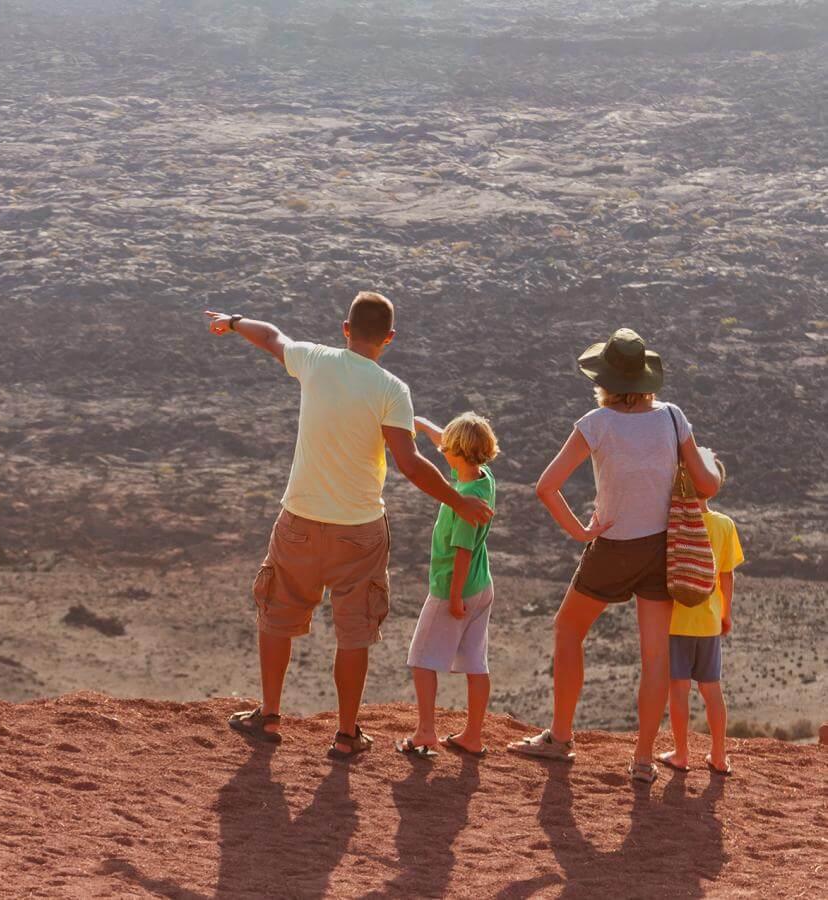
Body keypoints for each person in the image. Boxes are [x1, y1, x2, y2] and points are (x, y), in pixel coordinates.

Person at [205, 293, 494, 760]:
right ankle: (345, 733)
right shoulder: (391, 389)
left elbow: (272, 336)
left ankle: (271, 713)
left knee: (277, 614)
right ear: (389, 338)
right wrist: (457, 501)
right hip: (359, 529)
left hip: (299, 518)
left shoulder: (315, 360)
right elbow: (410, 461)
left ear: (345, 328)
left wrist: (232, 321)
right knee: (354, 631)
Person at [507, 327, 721, 784]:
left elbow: (546, 486)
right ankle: (642, 759)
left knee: (567, 629)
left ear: (606, 378)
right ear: (646, 378)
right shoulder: (672, 418)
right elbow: (709, 485)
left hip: (613, 546)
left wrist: (580, 530)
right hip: (662, 548)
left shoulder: (596, 423)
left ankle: (561, 737)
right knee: (655, 656)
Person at [398, 413, 499, 759]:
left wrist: (454, 597)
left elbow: (463, 551)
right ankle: (472, 735)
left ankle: (426, 731)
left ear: (457, 453)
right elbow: (451, 440)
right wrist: (423, 425)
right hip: (483, 585)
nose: (441, 450)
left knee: (421, 658)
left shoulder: (467, 499)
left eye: (445, 448)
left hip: (454, 588)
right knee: (475, 662)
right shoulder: (484, 478)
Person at [659, 458, 743, 777]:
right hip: (708, 622)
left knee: (678, 689)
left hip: (676, 620)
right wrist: (725, 614)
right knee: (712, 689)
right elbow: (727, 577)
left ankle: (681, 754)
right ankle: (719, 756)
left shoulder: (674, 523)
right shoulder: (724, 525)